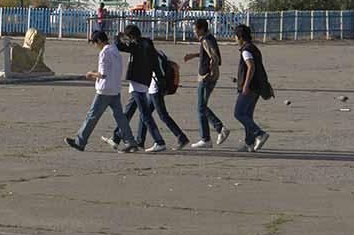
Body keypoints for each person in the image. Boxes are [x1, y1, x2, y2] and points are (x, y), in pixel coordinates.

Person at [65, 30, 139, 153]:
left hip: (104, 90)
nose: (95, 46)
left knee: (92, 116)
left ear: (99, 41)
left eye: (95, 43)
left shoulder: (104, 53)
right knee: (120, 117)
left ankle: (80, 142)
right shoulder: (114, 49)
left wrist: (91, 74)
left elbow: (103, 74)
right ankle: (130, 142)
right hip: (115, 88)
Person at [106, 49, 190, 150]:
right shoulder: (159, 52)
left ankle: (180, 137)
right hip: (159, 86)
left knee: (161, 115)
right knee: (145, 114)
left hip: (154, 88)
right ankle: (140, 141)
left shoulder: (145, 53)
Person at [108, 25, 167, 153]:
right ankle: (117, 137)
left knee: (145, 115)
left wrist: (118, 37)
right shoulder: (148, 45)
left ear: (131, 36)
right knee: (129, 111)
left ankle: (159, 141)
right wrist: (161, 79)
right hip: (145, 81)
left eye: (128, 37)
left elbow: (119, 46)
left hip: (136, 82)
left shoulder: (136, 45)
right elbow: (155, 65)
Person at [184, 19, 230, 148]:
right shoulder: (208, 38)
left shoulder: (206, 40)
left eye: (195, 30)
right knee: (202, 106)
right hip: (208, 76)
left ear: (202, 29)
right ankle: (214, 132)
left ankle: (210, 135)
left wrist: (210, 72)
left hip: (206, 77)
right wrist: (194, 55)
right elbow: (207, 53)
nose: (194, 33)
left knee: (201, 107)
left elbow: (214, 57)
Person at [233, 24, 271, 152]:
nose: (235, 40)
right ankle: (249, 143)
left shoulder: (246, 50)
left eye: (236, 37)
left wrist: (245, 85)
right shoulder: (254, 48)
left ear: (240, 37)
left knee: (238, 113)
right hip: (258, 87)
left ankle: (259, 134)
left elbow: (251, 66)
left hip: (250, 87)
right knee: (247, 115)